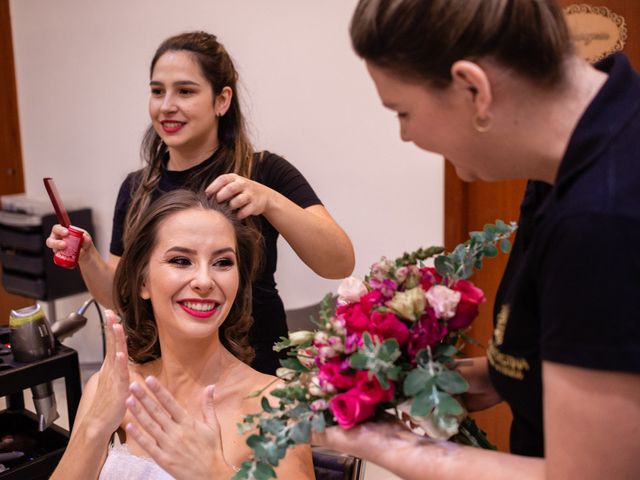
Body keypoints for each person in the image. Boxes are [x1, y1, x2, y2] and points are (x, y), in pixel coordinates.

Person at [313, 1, 640, 479]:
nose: (405, 135)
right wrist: (484, 375)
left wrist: (381, 442)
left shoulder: (605, 215)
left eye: (403, 111)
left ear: (474, 88)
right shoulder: (570, 157)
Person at [46, 31, 355, 374]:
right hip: (167, 373)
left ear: (222, 100)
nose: (166, 106)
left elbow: (338, 262)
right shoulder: (136, 189)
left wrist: (269, 201)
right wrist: (87, 257)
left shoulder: (265, 171)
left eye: (185, 91)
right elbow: (122, 298)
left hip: (258, 370)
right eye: (157, 91)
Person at [51, 190, 315, 479]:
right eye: (180, 261)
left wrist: (214, 473)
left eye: (223, 262)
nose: (204, 281)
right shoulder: (109, 388)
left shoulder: (277, 404)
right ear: (143, 282)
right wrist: (94, 428)